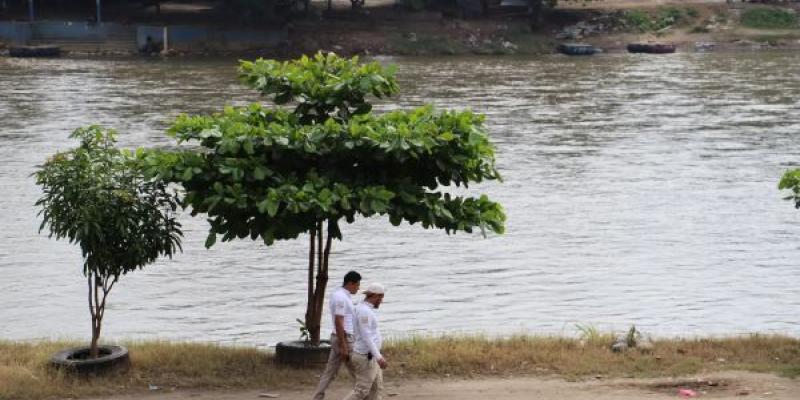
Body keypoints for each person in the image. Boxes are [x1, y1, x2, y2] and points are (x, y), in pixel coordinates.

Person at [312, 271, 362, 400]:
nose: (359, 288)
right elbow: (339, 321)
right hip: (344, 338)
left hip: (338, 337)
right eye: (357, 285)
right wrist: (343, 345)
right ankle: (364, 395)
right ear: (350, 283)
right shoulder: (341, 298)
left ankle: (317, 397)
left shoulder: (339, 295)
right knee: (359, 373)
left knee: (330, 372)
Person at [343, 283, 387, 400]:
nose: (381, 301)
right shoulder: (364, 312)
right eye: (380, 297)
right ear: (374, 296)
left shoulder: (364, 309)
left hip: (371, 357)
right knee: (361, 391)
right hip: (366, 357)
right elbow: (366, 336)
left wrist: (377, 356)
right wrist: (379, 357)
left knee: (377, 390)